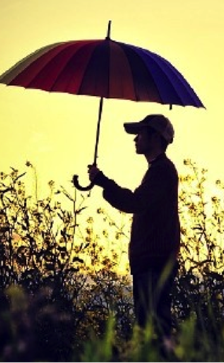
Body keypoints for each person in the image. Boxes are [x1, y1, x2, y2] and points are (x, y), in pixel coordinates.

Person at [87, 114, 180, 349]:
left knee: (153, 334)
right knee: (151, 333)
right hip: (150, 264)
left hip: (153, 264)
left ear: (156, 138)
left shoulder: (161, 171)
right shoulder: (158, 170)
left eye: (141, 133)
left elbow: (135, 202)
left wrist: (104, 182)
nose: (136, 139)